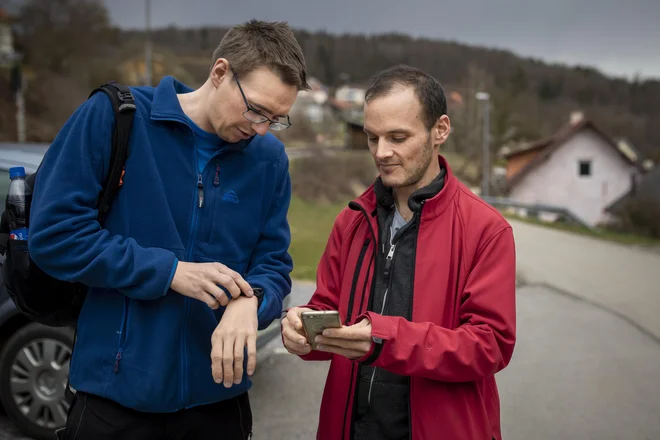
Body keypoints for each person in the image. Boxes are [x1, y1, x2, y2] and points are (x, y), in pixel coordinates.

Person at [29, 20, 308, 440]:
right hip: (113, 398)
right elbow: (54, 236)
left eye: (277, 118)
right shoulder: (115, 117)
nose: (262, 128)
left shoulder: (269, 159)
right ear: (219, 73)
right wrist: (172, 272)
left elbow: (273, 264)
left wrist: (252, 302)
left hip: (219, 405)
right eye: (256, 110)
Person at [282, 64, 516, 440]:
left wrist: (383, 339)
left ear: (440, 130)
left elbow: (489, 346)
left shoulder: (486, 229)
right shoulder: (351, 220)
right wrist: (301, 329)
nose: (381, 152)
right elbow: (326, 309)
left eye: (398, 137)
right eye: (373, 137)